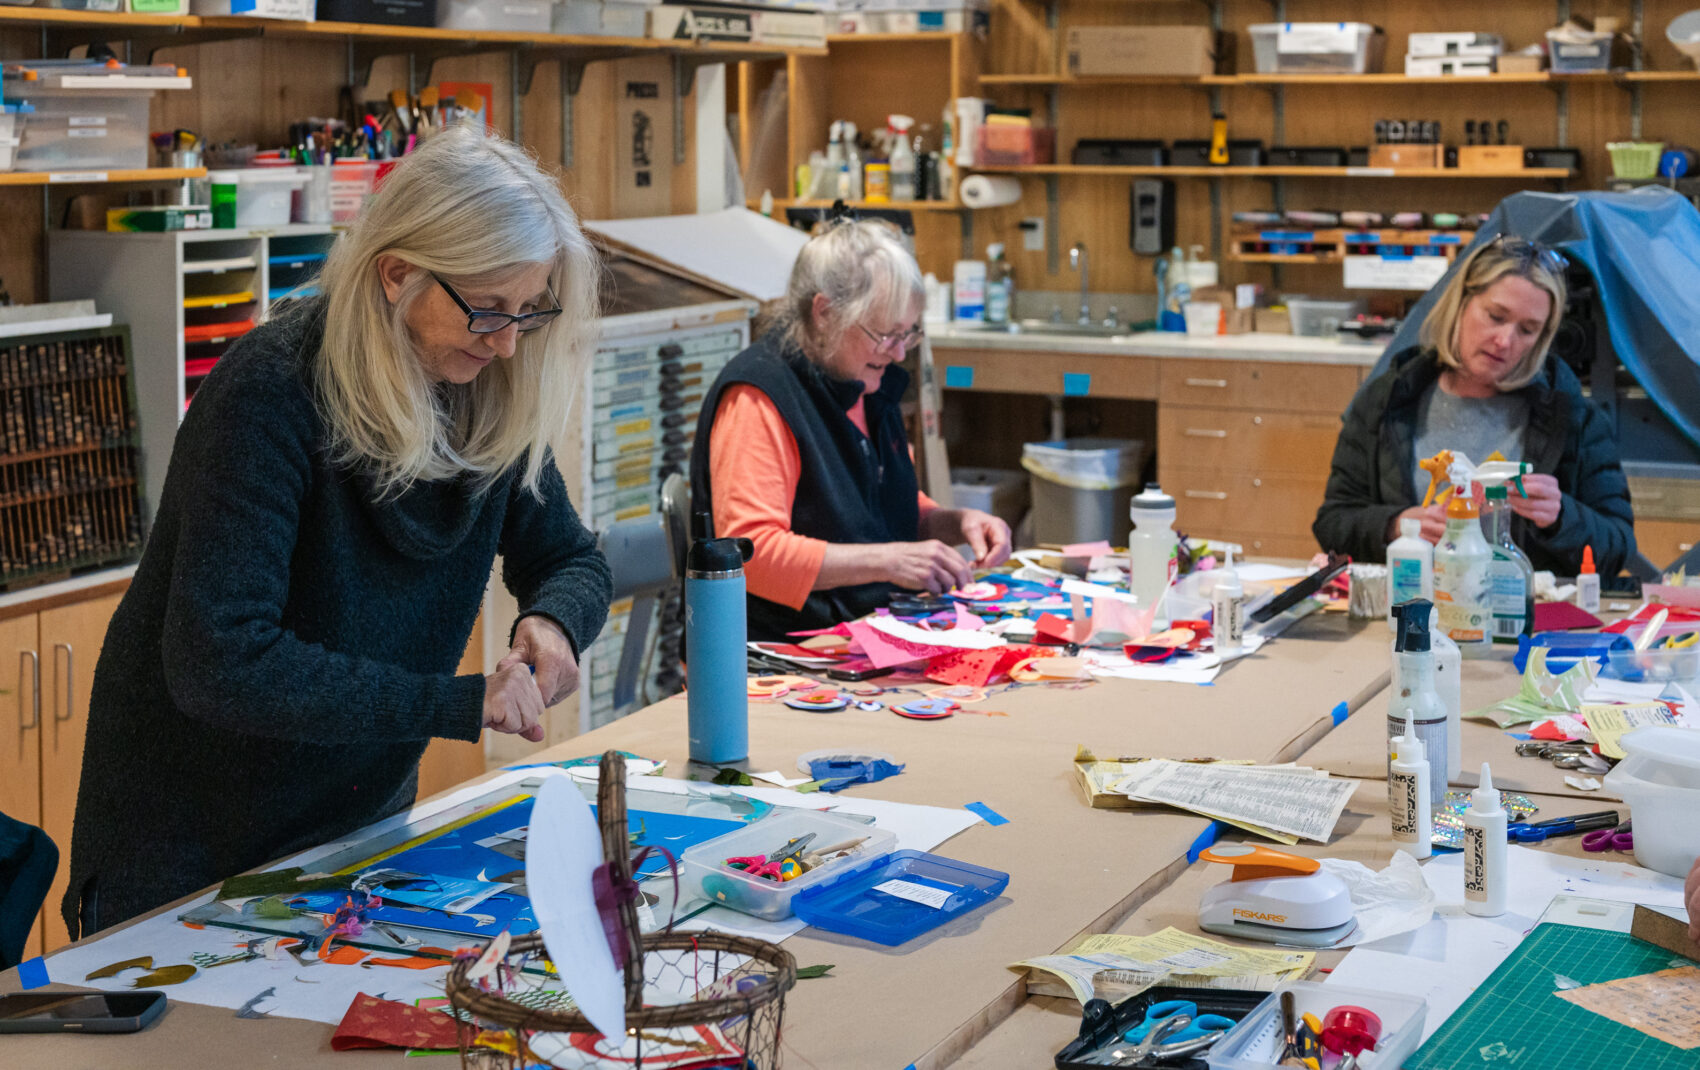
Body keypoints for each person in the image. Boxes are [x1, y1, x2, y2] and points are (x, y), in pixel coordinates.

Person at [63, 128, 612, 936]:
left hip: (355, 839)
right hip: (190, 855)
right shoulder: (270, 393)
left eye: (530, 311)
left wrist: (555, 620)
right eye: (489, 309)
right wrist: (454, 702)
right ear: (397, 274)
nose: (506, 341)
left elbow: (568, 555)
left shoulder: (488, 389)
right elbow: (222, 661)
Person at [690, 219, 1012, 640]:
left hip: (862, 627)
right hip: (781, 650)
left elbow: (872, 510)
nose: (897, 352)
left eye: (907, 334)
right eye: (884, 334)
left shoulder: (863, 380)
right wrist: (890, 561)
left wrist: (952, 523)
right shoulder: (760, 396)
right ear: (824, 314)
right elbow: (753, 553)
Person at [1313, 236, 1636, 577]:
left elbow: (1618, 549)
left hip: (1524, 619)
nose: (1506, 341)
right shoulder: (1389, 399)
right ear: (1461, 302)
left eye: (1528, 330)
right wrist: (1394, 527)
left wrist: (1561, 517)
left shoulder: (1571, 415)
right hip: (1413, 615)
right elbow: (1333, 524)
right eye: (1496, 316)